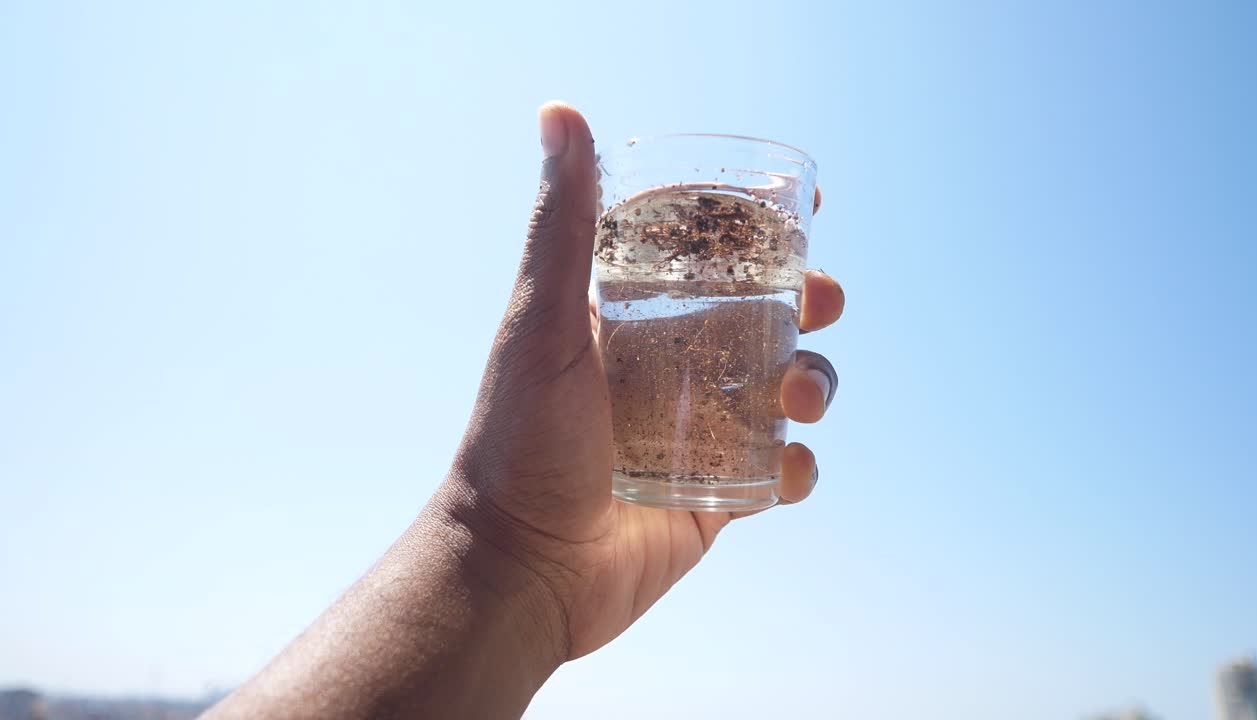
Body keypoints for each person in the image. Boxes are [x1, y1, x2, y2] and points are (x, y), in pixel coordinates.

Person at [205, 102, 844, 719]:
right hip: (591, 499)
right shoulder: (623, 220)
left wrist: (520, 561)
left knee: (796, 364)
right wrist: (516, 544)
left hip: (641, 512)